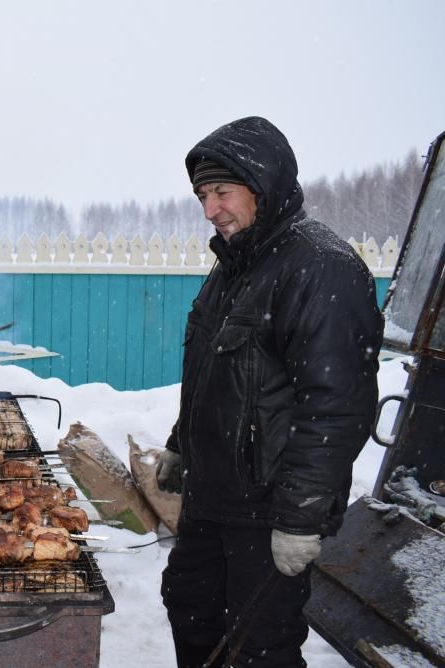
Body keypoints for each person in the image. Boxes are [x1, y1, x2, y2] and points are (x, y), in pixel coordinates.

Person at [155, 116, 383, 667]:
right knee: (191, 610)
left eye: (222, 192)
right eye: (203, 196)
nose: (211, 210)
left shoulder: (321, 267)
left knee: (259, 648)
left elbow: (335, 407)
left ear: (263, 186)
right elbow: (213, 374)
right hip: (213, 498)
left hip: (269, 507)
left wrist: (301, 518)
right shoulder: (234, 265)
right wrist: (181, 443)